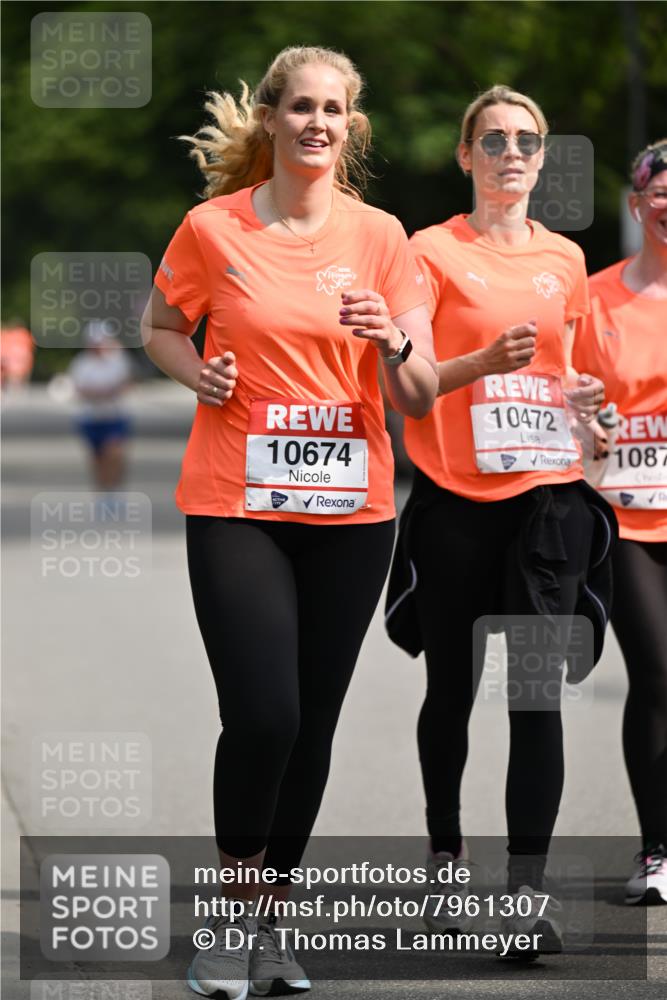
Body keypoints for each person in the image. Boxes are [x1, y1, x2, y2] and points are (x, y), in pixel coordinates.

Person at [141, 46, 437, 999]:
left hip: (352, 513)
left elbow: (420, 391)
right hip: (237, 503)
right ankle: (228, 916)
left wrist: (388, 337)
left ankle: (270, 921)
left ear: (351, 125)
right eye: (301, 106)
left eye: (335, 109)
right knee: (263, 714)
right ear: (269, 118)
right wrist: (201, 371)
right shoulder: (211, 229)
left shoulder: (385, 239)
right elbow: (158, 328)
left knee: (311, 725)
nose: (318, 122)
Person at [384, 85, 615, 955]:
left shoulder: (565, 258)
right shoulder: (427, 250)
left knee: (533, 701)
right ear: (464, 155)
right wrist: (478, 362)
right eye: (492, 140)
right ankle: (445, 859)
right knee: (449, 694)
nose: (510, 152)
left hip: (547, 502)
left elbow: (572, 377)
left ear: (543, 158)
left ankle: (527, 895)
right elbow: (411, 375)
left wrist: (590, 410)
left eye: (526, 140)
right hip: (452, 499)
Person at [573, 139, 667, 905]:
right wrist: (587, 427)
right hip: (628, 517)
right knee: (659, 674)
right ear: (636, 206)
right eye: (656, 192)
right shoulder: (595, 297)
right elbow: (564, 397)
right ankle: (656, 852)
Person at [68, 321, 133, 492]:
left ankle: (115, 489)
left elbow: (125, 384)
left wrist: (105, 392)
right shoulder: (81, 363)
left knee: (114, 455)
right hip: (90, 417)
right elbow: (78, 389)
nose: (98, 346)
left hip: (114, 416)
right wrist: (101, 392)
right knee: (97, 459)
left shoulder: (118, 359)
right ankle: (102, 492)